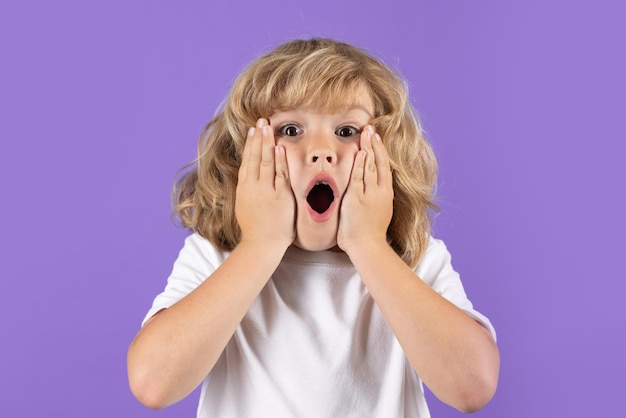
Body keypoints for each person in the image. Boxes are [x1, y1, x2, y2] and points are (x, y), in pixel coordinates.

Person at [127, 38, 500, 417]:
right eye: (290, 130)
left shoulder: (414, 261)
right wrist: (261, 243)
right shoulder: (215, 258)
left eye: (346, 131)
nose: (321, 150)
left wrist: (368, 244)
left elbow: (472, 387)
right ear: (245, 153)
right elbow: (152, 384)